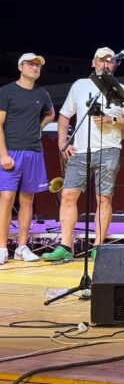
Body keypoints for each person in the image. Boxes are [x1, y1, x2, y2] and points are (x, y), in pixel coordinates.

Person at [43, 47, 124, 261]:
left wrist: (112, 120)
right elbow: (64, 115)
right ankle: (65, 246)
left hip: (109, 149)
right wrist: (62, 143)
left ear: (114, 64)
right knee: (68, 195)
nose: (106, 63)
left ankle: (98, 246)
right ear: (93, 62)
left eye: (110, 60)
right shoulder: (80, 85)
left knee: (103, 198)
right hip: (80, 151)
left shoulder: (120, 89)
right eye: (101, 60)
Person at [0, 53, 54, 264]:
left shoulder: (42, 93)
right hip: (11, 151)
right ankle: (2, 248)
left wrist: (39, 127)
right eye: (31, 64)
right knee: (6, 198)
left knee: (27, 199)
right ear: (20, 67)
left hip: (34, 152)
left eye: (38, 65)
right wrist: (3, 154)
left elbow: (50, 113)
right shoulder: (7, 92)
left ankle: (22, 247)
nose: (35, 67)